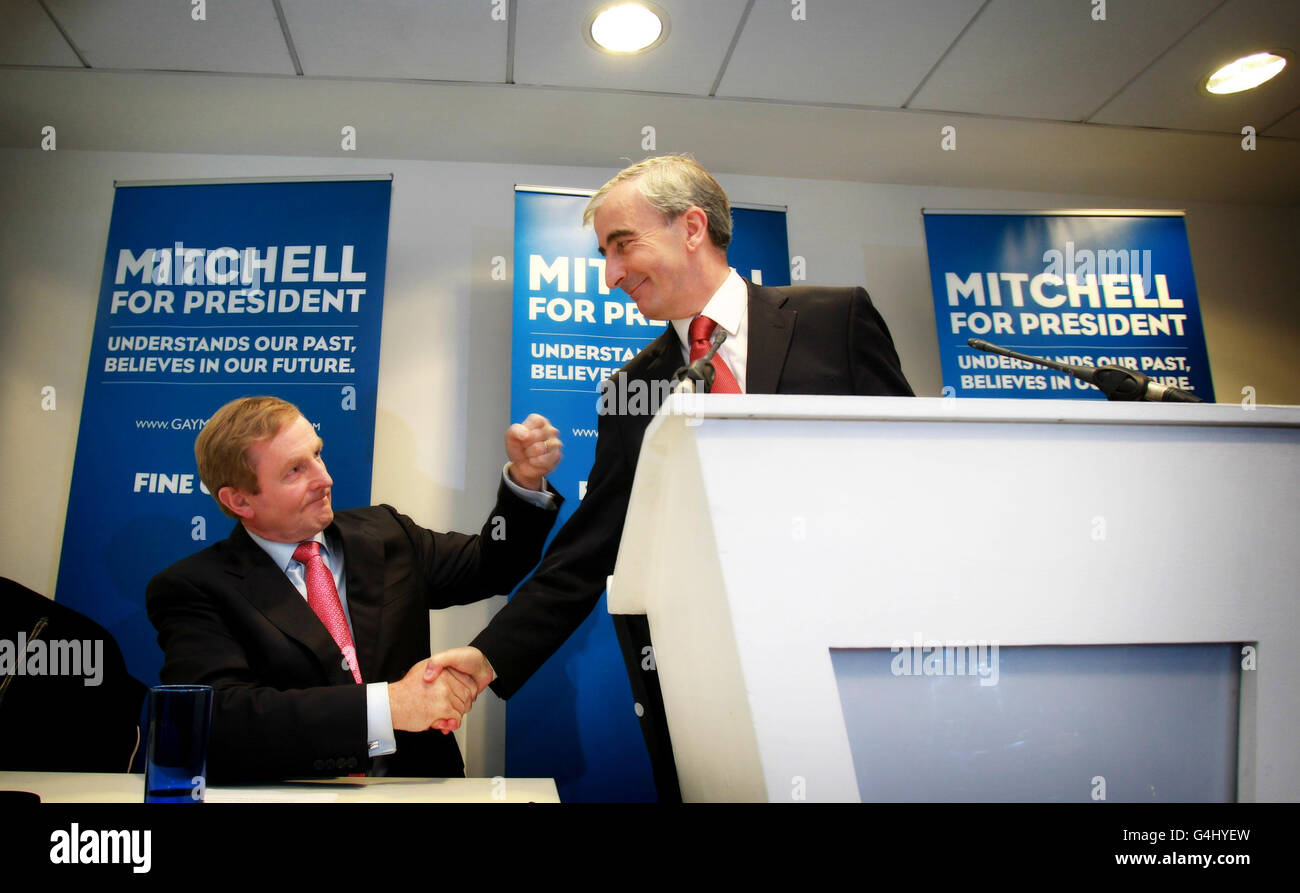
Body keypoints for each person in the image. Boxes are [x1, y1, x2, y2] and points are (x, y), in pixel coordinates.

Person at [431, 154, 915, 800]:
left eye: (622, 245)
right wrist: (487, 656)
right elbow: (587, 553)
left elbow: (912, 471)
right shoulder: (632, 390)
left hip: (856, 658)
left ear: (692, 228)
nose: (610, 276)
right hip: (704, 685)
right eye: (605, 253)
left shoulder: (835, 320)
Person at [145, 396, 562, 782]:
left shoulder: (384, 532)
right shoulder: (194, 587)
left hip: (420, 785)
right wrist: (390, 707)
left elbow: (492, 567)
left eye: (317, 454)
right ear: (240, 501)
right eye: (295, 470)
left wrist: (525, 483)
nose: (324, 478)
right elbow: (221, 721)